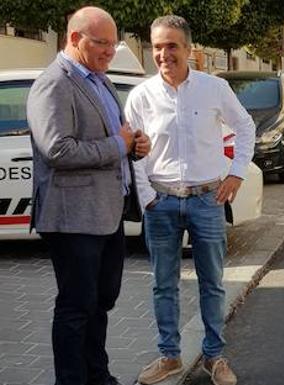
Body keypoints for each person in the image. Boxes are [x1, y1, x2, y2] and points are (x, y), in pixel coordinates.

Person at [125, 15, 255, 385]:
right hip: (161, 204)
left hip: (206, 201)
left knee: (212, 282)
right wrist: (147, 196)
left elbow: (244, 127)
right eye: (158, 47)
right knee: (162, 284)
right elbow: (134, 150)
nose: (164, 54)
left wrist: (236, 173)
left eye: (172, 46)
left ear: (188, 49)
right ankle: (169, 357)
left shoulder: (213, 89)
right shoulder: (141, 96)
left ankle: (214, 357)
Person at [27, 6, 151, 385]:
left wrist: (134, 146)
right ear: (75, 38)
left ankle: (98, 375)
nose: (109, 52)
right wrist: (119, 144)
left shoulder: (100, 79)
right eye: (102, 44)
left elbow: (117, 134)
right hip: (73, 217)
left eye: (114, 45)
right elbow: (58, 150)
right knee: (76, 307)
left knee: (101, 301)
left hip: (105, 213)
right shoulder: (54, 84)